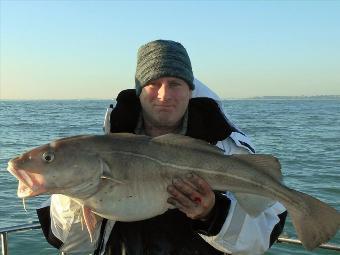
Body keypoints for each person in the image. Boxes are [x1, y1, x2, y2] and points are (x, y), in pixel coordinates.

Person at [37, 39, 287, 255]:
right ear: (139, 91)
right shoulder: (97, 148)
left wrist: (213, 215)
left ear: (190, 90)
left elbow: (263, 236)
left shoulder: (229, 148)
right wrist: (73, 197)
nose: (164, 94)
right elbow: (68, 242)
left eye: (175, 83)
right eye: (153, 83)